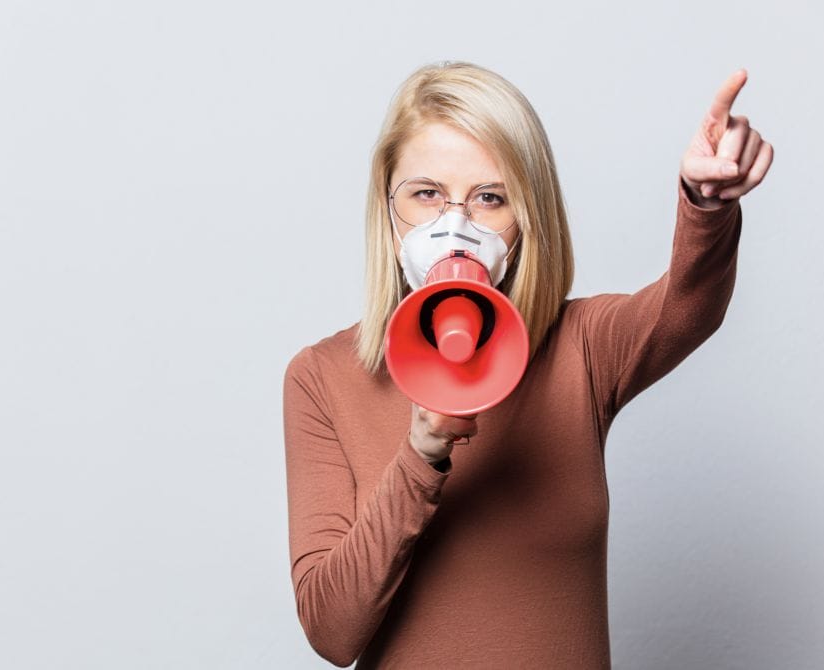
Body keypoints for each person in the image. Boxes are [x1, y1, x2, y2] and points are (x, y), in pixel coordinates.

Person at [282, 61, 773, 668]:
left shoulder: (582, 346)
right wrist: (421, 453)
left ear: (527, 218)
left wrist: (706, 203)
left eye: (490, 198)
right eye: (426, 193)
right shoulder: (321, 377)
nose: (454, 225)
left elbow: (686, 308)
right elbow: (332, 631)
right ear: (388, 206)